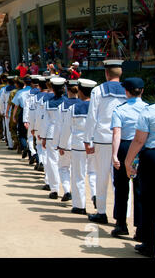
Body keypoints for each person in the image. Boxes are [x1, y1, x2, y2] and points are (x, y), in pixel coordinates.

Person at [125, 72, 155, 258]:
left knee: (150, 204)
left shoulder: (149, 111)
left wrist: (128, 162)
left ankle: (149, 245)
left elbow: (139, 140)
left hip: (154, 159)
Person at [85, 60, 127, 224]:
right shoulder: (128, 89)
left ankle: (101, 211)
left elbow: (92, 117)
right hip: (123, 138)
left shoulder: (98, 90)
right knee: (122, 179)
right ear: (120, 73)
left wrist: (88, 140)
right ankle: (124, 213)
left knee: (101, 176)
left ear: (106, 73)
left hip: (102, 138)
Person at [110, 77, 147, 240]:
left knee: (121, 186)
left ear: (126, 92)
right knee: (140, 189)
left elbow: (117, 133)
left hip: (124, 146)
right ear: (142, 91)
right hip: (141, 148)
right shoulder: (147, 109)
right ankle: (140, 228)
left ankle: (121, 223)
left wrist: (114, 154)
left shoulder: (119, 109)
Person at [59, 79, 98, 214]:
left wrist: (62, 146)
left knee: (78, 176)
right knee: (94, 173)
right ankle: (95, 195)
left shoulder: (73, 108)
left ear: (80, 92)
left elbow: (66, 130)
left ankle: (80, 205)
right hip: (95, 145)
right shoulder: (98, 108)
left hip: (78, 146)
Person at [40, 77, 69, 200]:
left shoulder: (48, 103)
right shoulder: (68, 102)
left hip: (51, 134)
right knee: (66, 164)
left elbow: (45, 122)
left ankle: (54, 189)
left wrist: (43, 137)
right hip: (66, 134)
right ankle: (67, 189)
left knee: (52, 162)